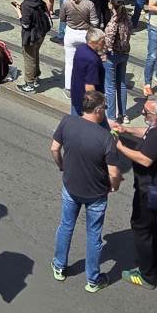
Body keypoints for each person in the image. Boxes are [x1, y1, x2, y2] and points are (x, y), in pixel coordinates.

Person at [51, 89, 121, 291]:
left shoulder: (67, 121)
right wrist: (114, 187)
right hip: (96, 195)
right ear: (98, 110)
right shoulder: (106, 137)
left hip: (71, 187)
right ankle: (92, 280)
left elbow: (54, 149)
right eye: (105, 108)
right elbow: (114, 173)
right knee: (93, 235)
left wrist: (62, 166)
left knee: (66, 226)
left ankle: (59, 267)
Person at [114, 96, 157, 289]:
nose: (143, 114)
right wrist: (127, 130)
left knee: (141, 228)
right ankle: (156, 264)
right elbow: (148, 133)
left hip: (151, 191)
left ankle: (147, 274)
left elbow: (144, 159)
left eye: (146, 112)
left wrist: (120, 146)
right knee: (152, 226)